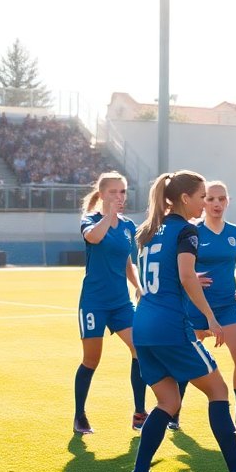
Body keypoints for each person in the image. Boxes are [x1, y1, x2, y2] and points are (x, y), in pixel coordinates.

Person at [125, 170, 236, 472]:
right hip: (171, 327)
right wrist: (211, 317)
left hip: (144, 326)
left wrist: (190, 278)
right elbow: (184, 275)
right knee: (218, 391)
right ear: (185, 198)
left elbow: (166, 272)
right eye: (201, 197)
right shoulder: (187, 231)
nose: (204, 203)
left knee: (168, 401)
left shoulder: (149, 229)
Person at [182, 181, 236, 433]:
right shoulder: (191, 232)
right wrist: (191, 277)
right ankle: (173, 411)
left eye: (221, 199)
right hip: (196, 306)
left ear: (228, 201)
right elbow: (178, 267)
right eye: (210, 199)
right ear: (203, 202)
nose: (216, 204)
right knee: (187, 359)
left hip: (228, 305)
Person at [73, 171, 145, 435]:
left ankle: (139, 413)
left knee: (140, 349)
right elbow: (93, 238)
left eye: (122, 192)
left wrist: (138, 286)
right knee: (91, 359)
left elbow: (127, 262)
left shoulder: (128, 226)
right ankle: (79, 415)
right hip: (94, 302)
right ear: (102, 194)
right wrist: (109, 215)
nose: (119, 197)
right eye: (113, 192)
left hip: (120, 304)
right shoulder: (91, 220)